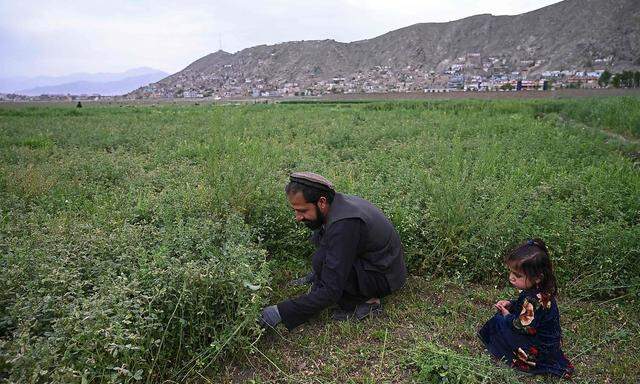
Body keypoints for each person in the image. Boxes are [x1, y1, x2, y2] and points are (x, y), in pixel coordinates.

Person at [260, 172, 407, 331]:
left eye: (302, 211)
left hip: (384, 276)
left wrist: (279, 312)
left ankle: (369, 302)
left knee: (333, 284)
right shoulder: (336, 203)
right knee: (320, 261)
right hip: (377, 262)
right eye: (295, 210)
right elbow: (328, 248)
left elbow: (331, 291)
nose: (298, 217)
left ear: (321, 202)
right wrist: (317, 274)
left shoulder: (345, 224)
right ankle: (322, 278)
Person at [478, 239, 574, 378]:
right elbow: (525, 308)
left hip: (538, 350)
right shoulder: (540, 292)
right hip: (548, 346)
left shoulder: (533, 298)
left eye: (517, 275)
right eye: (511, 272)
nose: (511, 278)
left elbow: (524, 326)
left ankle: (523, 363)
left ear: (537, 278)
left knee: (498, 322)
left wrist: (507, 316)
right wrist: (511, 304)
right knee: (501, 320)